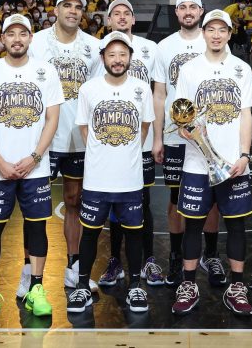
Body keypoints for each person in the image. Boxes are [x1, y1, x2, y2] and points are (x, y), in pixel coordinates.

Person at [0, 14, 63, 319]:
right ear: (3, 39)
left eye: (23, 33)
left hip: (34, 167)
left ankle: (36, 288)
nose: (17, 39)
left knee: (36, 227)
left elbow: (52, 118)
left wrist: (35, 157)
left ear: (30, 38)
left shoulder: (45, 71)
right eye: (11, 34)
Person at [171, 10, 252, 316]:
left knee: (235, 225)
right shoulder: (190, 70)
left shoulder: (241, 69)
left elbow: (246, 114)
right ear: (204, 33)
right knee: (193, 226)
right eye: (212, 29)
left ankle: (237, 285)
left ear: (230, 34)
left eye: (223, 30)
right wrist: (187, 130)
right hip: (197, 163)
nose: (217, 35)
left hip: (232, 164)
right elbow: (181, 117)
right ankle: (189, 283)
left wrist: (244, 154)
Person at [68, 32, 155, 314]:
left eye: (122, 55)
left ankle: (134, 287)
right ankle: (82, 285)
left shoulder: (142, 88)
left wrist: (124, 151)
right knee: (91, 235)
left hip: (130, 178)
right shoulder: (89, 89)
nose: (117, 60)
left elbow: (143, 128)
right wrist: (104, 149)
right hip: (97, 178)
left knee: (133, 235)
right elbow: (84, 129)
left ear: (130, 57)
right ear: (103, 57)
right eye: (112, 55)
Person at [27, 0, 102, 292]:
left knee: (75, 203)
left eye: (78, 7)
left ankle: (74, 266)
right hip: (43, 138)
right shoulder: (37, 42)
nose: (73, 10)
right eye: (66, 5)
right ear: (55, 10)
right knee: (35, 207)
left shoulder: (95, 47)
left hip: (77, 139)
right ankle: (28, 270)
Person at [100, 0, 166, 286]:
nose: (123, 17)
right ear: (109, 20)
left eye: (128, 12)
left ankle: (149, 259)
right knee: (115, 203)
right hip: (111, 139)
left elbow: (158, 94)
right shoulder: (98, 49)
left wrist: (156, 137)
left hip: (142, 137)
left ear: (133, 19)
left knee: (143, 200)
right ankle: (115, 260)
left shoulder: (150, 49)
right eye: (117, 13)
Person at [152, 0, 208, 287]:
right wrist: (158, 136)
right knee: (175, 197)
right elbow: (159, 95)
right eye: (182, 7)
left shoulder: (211, 40)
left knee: (208, 198)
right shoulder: (164, 47)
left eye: (193, 7)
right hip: (175, 136)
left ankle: (209, 256)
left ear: (201, 11)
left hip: (207, 136)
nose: (188, 11)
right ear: (176, 13)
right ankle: (175, 257)